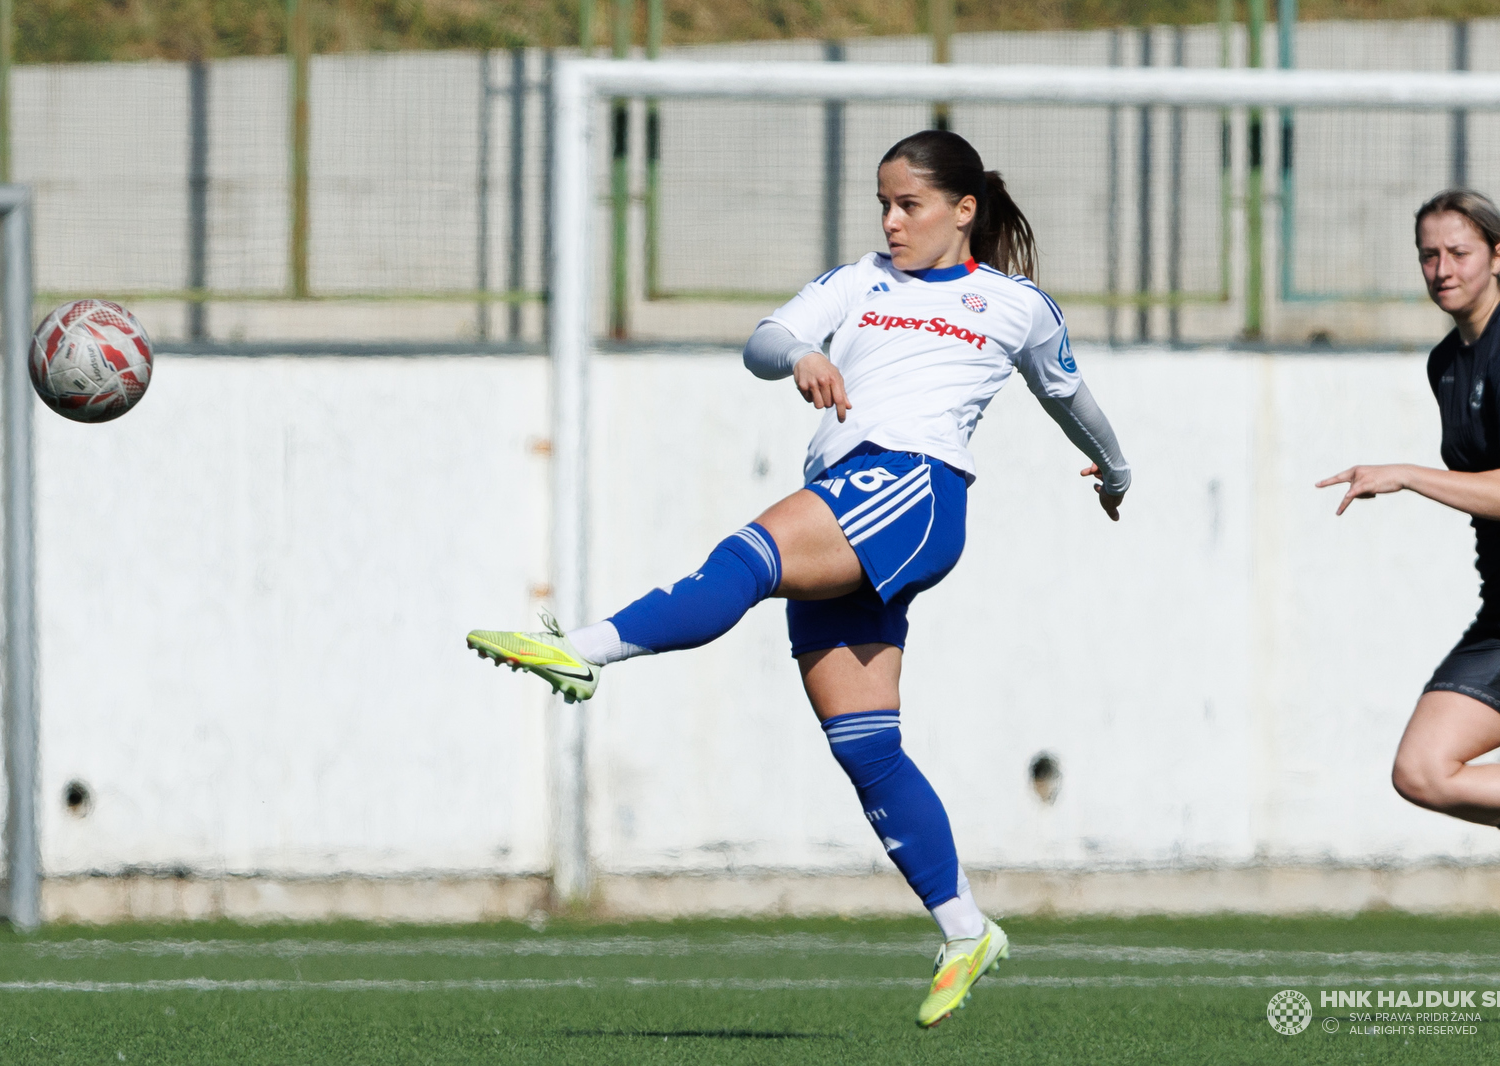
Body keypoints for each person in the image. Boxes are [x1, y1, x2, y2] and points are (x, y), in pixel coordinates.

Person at [468, 130, 1132, 1028]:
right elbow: (766, 339)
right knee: (866, 748)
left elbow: (1068, 394)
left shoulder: (1013, 304)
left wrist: (1115, 469)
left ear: (964, 210)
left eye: (911, 205)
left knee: (742, 560)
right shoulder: (858, 281)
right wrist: (803, 357)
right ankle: (966, 928)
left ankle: (579, 650)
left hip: (911, 489)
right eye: (884, 204)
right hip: (854, 500)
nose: (892, 222)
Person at [1318, 189, 1500, 845]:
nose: (1442, 270)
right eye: (1428, 255)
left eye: (1458, 253)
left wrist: (1407, 475)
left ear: (1497, 255)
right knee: (1424, 769)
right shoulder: (1448, 362)